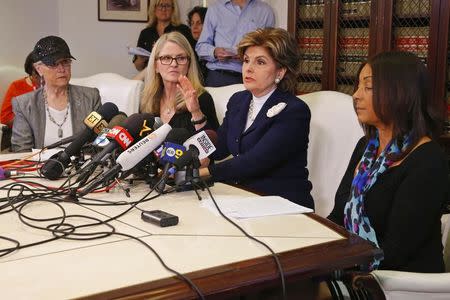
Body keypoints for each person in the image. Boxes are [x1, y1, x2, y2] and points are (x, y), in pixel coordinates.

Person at [328, 51, 448, 272]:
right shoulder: (366, 146)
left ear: (400, 93)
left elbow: (396, 251)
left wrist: (333, 269)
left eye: (368, 87)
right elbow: (338, 216)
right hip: (356, 266)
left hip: (400, 283)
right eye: (357, 86)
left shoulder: (428, 160)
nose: (355, 95)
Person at [199, 28, 314, 209]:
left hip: (284, 206)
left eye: (260, 62)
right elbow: (218, 147)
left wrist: (202, 174)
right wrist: (188, 153)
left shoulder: (294, 111)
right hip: (244, 200)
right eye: (246, 61)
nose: (249, 68)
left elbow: (254, 162)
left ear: (280, 72)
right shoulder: (238, 100)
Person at [11, 36, 101, 152]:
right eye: (53, 64)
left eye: (65, 62)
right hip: (39, 168)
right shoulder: (24, 104)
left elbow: (100, 141)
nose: (61, 69)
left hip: (82, 167)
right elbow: (22, 151)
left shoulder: (90, 97)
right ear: (39, 69)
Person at [140, 31, 219, 133]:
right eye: (166, 58)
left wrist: (196, 112)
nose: (173, 64)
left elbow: (214, 144)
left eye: (181, 58)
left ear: (189, 64)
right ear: (156, 66)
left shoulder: (201, 99)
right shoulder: (147, 99)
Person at [195, 0, 275, 87]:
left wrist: (249, 55)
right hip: (218, 75)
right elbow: (200, 46)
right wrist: (215, 52)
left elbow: (270, 48)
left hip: (251, 76)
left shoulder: (265, 11)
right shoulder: (215, 9)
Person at [133, 0, 196, 72]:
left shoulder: (183, 30)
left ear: (173, 9)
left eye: (167, 6)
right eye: (160, 5)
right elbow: (138, 67)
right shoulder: (146, 33)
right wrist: (141, 59)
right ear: (154, 9)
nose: (163, 9)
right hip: (151, 77)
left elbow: (192, 59)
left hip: (176, 75)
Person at [1, 52, 41, 128]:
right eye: (38, 73)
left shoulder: (55, 86)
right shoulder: (17, 86)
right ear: (31, 72)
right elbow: (4, 118)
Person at [187, 6, 208, 81]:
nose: (194, 27)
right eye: (192, 23)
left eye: (199, 23)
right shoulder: (189, 48)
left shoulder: (212, 49)